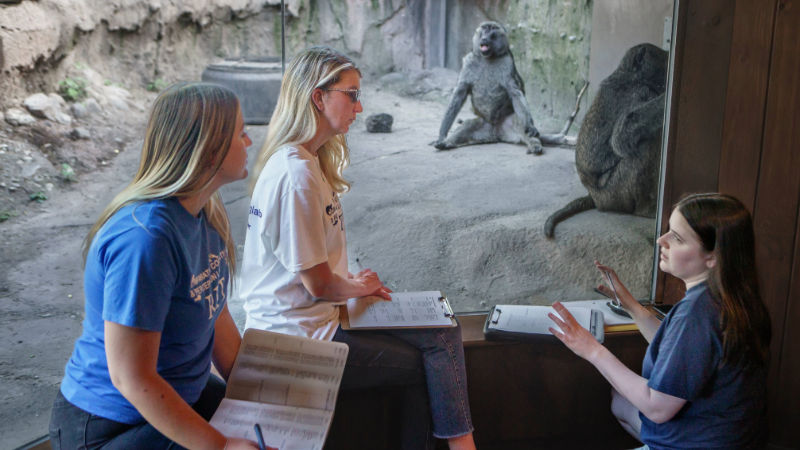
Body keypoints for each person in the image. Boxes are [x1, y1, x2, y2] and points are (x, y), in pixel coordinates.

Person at [239, 46, 476, 450]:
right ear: (318, 97)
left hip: (314, 319)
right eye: (351, 95)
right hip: (299, 339)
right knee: (426, 363)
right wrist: (360, 286)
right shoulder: (296, 175)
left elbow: (307, 268)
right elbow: (318, 285)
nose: (360, 106)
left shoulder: (305, 161)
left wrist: (351, 282)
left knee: (442, 327)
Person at [48, 82, 271, 450]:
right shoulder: (146, 238)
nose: (249, 142)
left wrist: (264, 393)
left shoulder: (207, 213)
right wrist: (220, 446)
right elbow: (132, 378)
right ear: (208, 149)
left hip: (178, 393)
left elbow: (215, 313)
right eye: (241, 133)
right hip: (110, 425)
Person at [549, 193, 772, 450]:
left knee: (627, 401)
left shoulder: (697, 313)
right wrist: (631, 305)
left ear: (713, 257)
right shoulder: (733, 297)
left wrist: (591, 349)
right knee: (619, 400)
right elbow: (685, 351)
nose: (660, 240)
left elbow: (657, 409)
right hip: (733, 438)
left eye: (677, 238)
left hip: (701, 442)